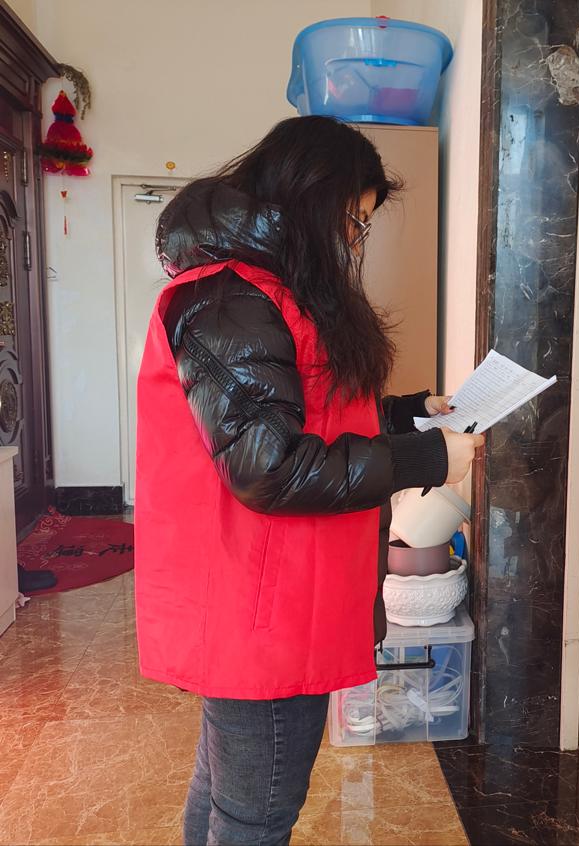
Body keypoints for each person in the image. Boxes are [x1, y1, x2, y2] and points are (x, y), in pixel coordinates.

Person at [133, 116, 484, 846]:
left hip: (269, 598)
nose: (353, 241)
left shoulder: (259, 289)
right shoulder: (230, 300)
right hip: (263, 609)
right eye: (353, 221)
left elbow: (304, 411)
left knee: (227, 796)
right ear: (311, 201)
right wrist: (427, 461)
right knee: (256, 815)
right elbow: (273, 466)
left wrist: (410, 413)